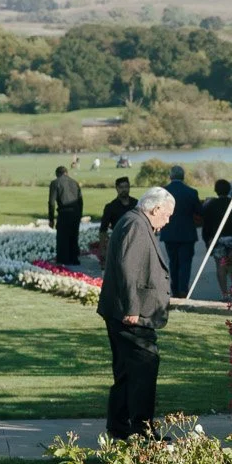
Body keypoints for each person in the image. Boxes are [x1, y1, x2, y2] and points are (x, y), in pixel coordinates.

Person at [97, 186, 173, 438]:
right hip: (131, 314)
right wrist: (132, 308)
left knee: (127, 371)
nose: (168, 220)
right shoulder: (136, 225)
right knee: (144, 367)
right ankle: (142, 430)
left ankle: (119, 427)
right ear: (156, 208)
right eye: (167, 214)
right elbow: (127, 269)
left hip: (123, 311)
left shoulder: (135, 222)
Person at [159, 164, 201, 298]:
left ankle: (174, 289)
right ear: (183, 177)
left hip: (169, 233)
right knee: (185, 263)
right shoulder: (191, 192)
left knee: (173, 262)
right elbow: (199, 212)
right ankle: (183, 289)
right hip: (187, 233)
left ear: (171, 176)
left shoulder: (163, 192)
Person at [47, 165, 84, 266]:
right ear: (67, 173)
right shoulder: (75, 182)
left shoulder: (55, 183)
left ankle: (63, 259)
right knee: (74, 236)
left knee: (62, 237)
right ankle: (74, 258)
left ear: (57, 174)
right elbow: (80, 201)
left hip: (64, 212)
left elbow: (51, 202)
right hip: (75, 212)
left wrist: (51, 219)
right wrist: (79, 215)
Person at [200, 178, 230, 295]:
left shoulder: (211, 205)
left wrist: (207, 240)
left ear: (216, 190)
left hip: (218, 239)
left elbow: (206, 225)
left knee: (221, 267)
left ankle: (225, 293)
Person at [98, 176, 136, 253]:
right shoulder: (110, 207)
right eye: (121, 187)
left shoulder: (136, 204)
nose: (124, 190)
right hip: (118, 241)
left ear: (129, 188)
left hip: (135, 239)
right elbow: (103, 229)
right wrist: (102, 248)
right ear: (117, 188)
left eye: (126, 187)